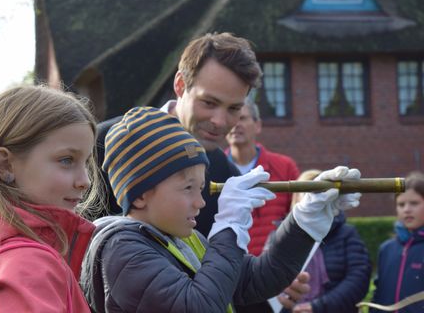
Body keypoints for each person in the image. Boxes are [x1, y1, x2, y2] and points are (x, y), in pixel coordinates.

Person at [94, 32, 310, 309]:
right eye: (209, 103)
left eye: (234, 108)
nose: (220, 121)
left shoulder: (225, 172)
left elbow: (220, 276)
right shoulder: (101, 144)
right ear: (181, 85)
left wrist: (271, 294)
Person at [81, 106, 362, 313]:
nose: (201, 202)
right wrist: (229, 226)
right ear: (140, 194)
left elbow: (258, 279)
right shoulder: (121, 249)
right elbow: (199, 307)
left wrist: (305, 221)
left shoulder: (182, 239)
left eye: (200, 187)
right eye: (187, 188)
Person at [0, 85, 101, 312]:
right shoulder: (28, 265)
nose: (85, 181)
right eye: (67, 160)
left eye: (86, 162)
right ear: (5, 165)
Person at [267, 170, 371, 313]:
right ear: (296, 198)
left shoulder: (346, 234)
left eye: (317, 193)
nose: (311, 199)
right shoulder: (279, 236)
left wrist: (319, 307)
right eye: (306, 193)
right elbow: (267, 280)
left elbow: (358, 278)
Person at [226, 97, 300, 256]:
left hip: (273, 268)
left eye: (242, 118)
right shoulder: (212, 169)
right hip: (228, 270)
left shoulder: (285, 167)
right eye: (232, 118)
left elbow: (298, 218)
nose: (236, 124)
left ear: (257, 125)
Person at [370, 171, 424, 313]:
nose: (407, 209)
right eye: (401, 204)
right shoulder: (386, 249)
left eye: (414, 203)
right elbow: (378, 293)